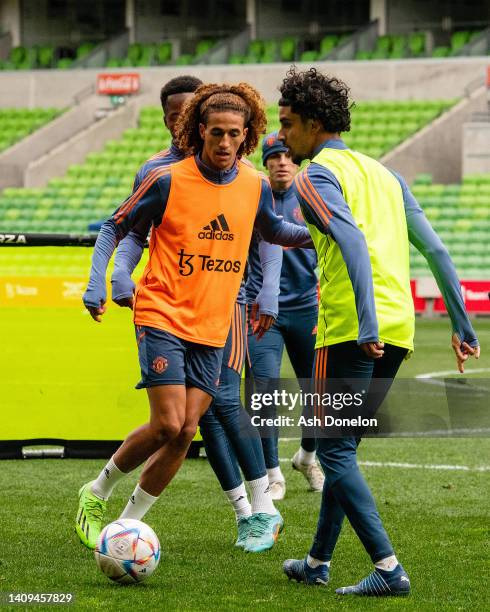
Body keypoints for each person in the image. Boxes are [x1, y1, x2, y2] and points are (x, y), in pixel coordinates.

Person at [76, 82, 312, 554]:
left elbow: (275, 231)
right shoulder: (167, 179)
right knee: (166, 424)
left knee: (186, 431)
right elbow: (116, 226)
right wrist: (98, 280)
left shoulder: (255, 185)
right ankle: (96, 490)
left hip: (214, 325)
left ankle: (124, 530)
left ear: (246, 137)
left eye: (234, 135)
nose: (225, 143)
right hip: (161, 313)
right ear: (200, 131)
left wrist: (322, 231)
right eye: (216, 133)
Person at [276, 67, 480, 596]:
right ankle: (318, 561)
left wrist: (363, 322)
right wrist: (464, 325)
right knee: (341, 447)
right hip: (399, 326)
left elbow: (350, 240)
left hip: (349, 327)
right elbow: (434, 249)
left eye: (289, 124)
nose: (281, 137)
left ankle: (388, 570)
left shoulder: (313, 176)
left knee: (335, 452)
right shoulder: (386, 175)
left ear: (315, 124)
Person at [246, 132, 324, 499]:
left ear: (297, 160)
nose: (281, 162)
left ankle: (307, 457)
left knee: (320, 392)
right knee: (263, 390)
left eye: (287, 156)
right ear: (265, 161)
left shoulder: (312, 194)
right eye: (274, 156)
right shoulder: (250, 195)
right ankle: (272, 473)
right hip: (262, 313)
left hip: (307, 306)